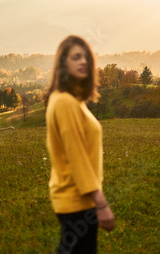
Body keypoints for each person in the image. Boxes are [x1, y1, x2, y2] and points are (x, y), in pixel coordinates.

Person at [44, 35, 115, 253]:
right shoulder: (65, 102)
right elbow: (76, 156)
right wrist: (101, 203)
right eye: (76, 57)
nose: (83, 61)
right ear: (63, 63)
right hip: (76, 201)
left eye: (86, 57)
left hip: (77, 200)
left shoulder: (69, 99)